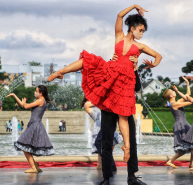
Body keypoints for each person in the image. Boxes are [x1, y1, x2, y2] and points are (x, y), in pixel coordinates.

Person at [47, 4, 162, 164]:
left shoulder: (140, 47)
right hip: (111, 71)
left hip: (126, 81)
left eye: (143, 31)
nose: (141, 33)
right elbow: (119, 16)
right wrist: (134, 6)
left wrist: (152, 64)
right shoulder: (119, 36)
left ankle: (127, 147)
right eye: (140, 30)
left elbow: (158, 56)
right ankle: (61, 71)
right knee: (89, 60)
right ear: (133, 28)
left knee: (124, 115)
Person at [6, 85, 54, 173]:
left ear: (41, 93)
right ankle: (35, 165)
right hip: (34, 125)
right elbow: (23, 105)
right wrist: (14, 95)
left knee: (24, 146)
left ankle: (33, 167)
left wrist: (24, 102)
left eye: (36, 91)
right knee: (28, 147)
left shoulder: (40, 101)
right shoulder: (40, 100)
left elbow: (26, 106)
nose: (35, 92)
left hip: (35, 125)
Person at [81, 98, 123, 170]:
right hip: (99, 126)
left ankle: (105, 165)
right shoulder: (87, 104)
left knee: (108, 148)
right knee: (102, 148)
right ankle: (107, 166)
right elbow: (100, 103)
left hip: (106, 123)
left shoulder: (94, 103)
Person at [163, 76, 193, 169]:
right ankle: (173, 161)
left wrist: (187, 84)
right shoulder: (175, 104)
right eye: (173, 92)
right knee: (187, 146)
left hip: (183, 124)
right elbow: (190, 101)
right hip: (181, 125)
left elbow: (188, 94)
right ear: (171, 96)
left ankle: (191, 163)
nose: (174, 91)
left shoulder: (177, 102)